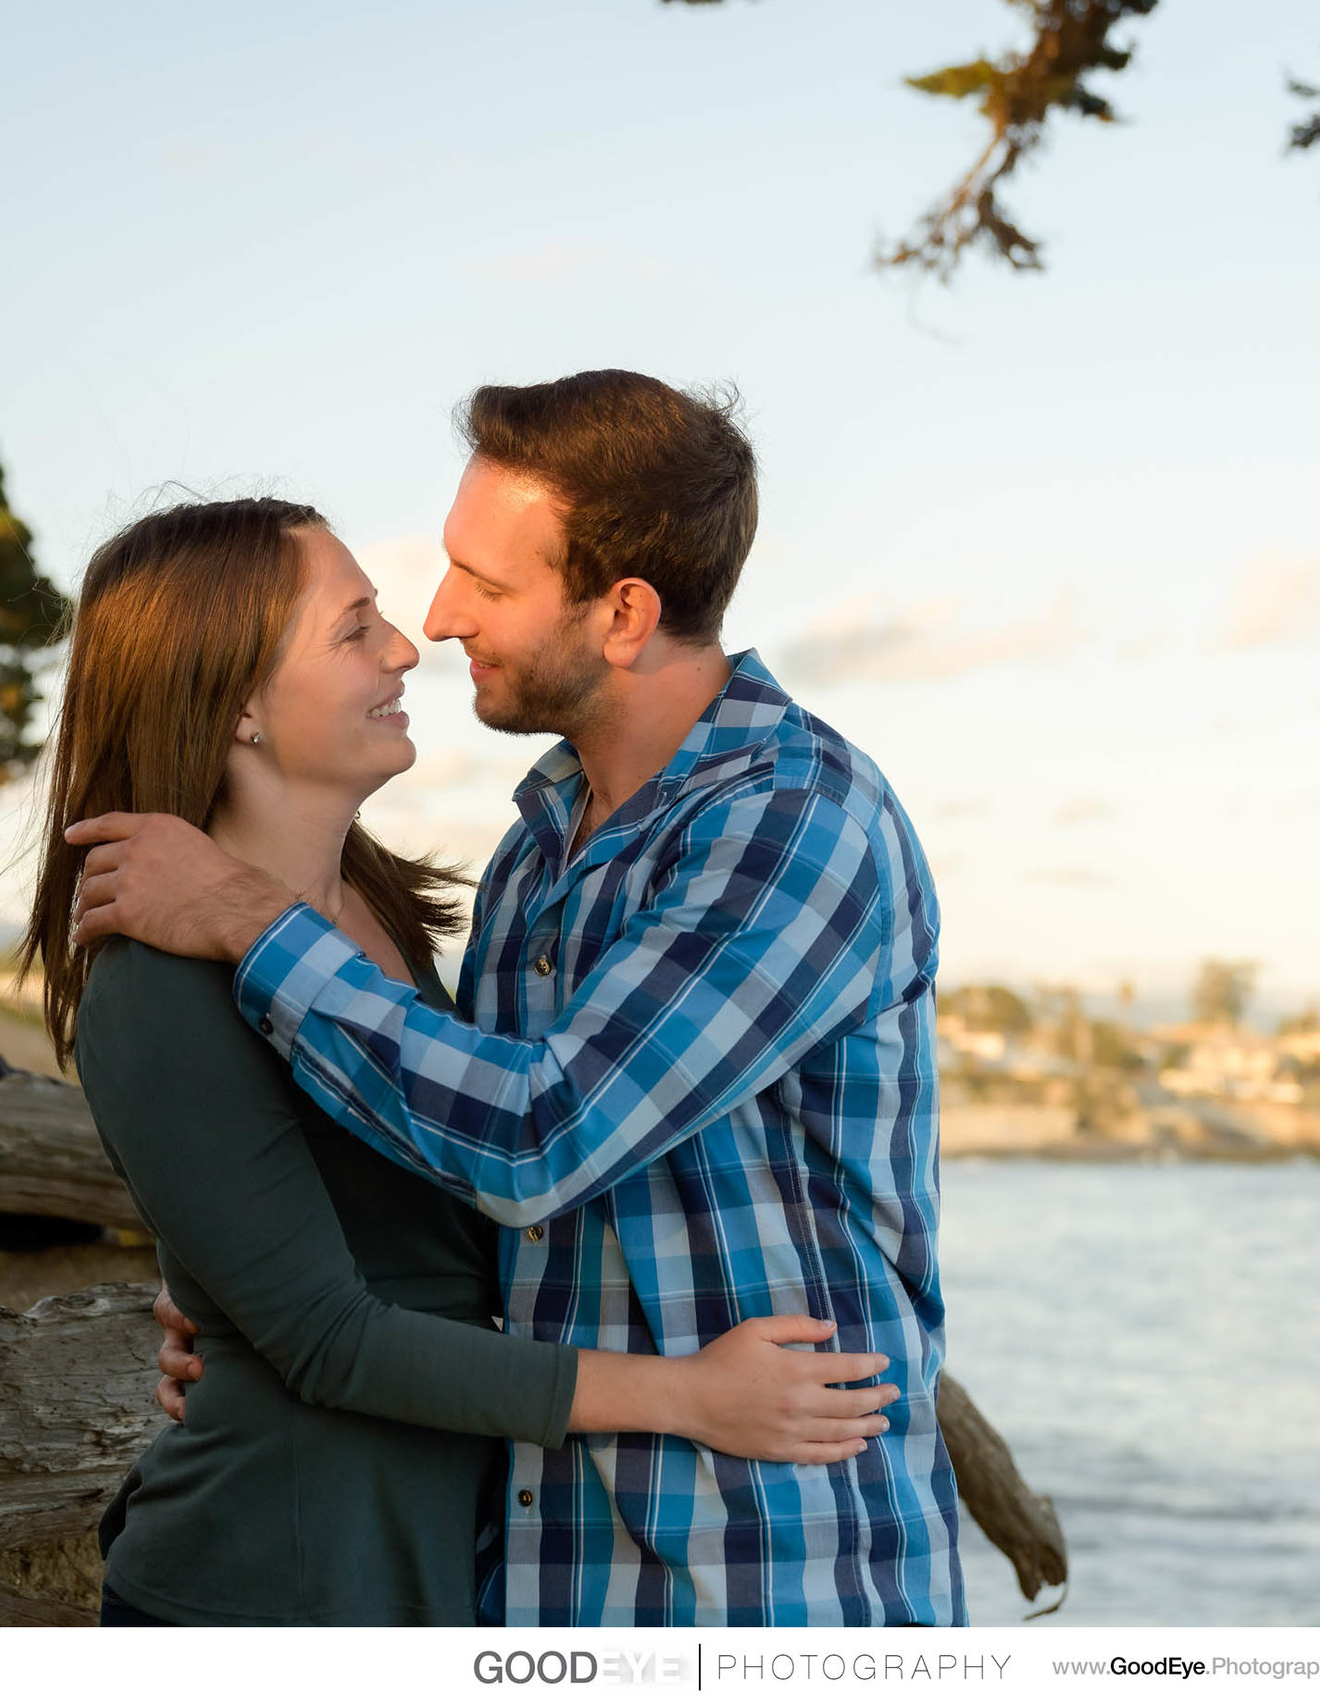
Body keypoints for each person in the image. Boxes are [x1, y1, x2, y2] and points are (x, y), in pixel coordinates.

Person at [68, 371, 965, 1626]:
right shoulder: (540, 852)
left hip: (761, 1566)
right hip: (536, 1572)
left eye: (484, 584)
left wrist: (248, 922)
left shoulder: (792, 823)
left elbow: (539, 1140)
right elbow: (463, 1195)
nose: (432, 622)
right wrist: (244, 1306)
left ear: (622, 612)